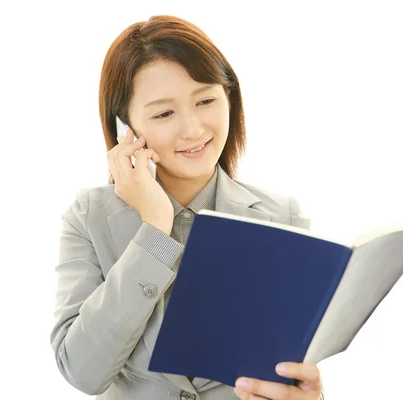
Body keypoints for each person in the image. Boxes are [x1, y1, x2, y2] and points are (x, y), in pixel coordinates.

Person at [50, 15, 325, 400]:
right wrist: (156, 229)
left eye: (206, 100)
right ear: (124, 129)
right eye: (164, 113)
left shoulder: (282, 218)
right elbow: (82, 371)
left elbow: (287, 371)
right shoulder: (89, 217)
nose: (194, 129)